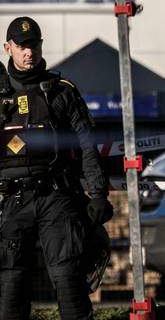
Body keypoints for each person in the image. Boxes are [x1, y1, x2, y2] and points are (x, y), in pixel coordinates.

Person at [0, 16, 112, 320]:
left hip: (56, 197)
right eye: (22, 46)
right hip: (9, 202)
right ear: (8, 47)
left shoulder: (60, 90)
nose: (29, 53)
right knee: (10, 285)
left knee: (68, 280)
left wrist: (99, 193)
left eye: (34, 45)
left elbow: (88, 144)